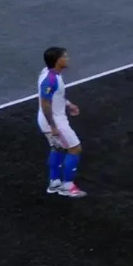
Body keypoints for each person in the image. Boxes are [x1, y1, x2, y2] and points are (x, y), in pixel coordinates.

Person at [37, 47, 87, 198]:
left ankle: (54, 183)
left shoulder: (49, 74)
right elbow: (45, 103)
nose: (68, 59)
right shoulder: (50, 80)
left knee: (57, 148)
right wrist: (53, 126)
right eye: (65, 57)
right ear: (58, 60)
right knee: (75, 148)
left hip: (50, 120)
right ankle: (67, 186)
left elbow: (55, 96)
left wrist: (68, 104)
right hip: (55, 122)